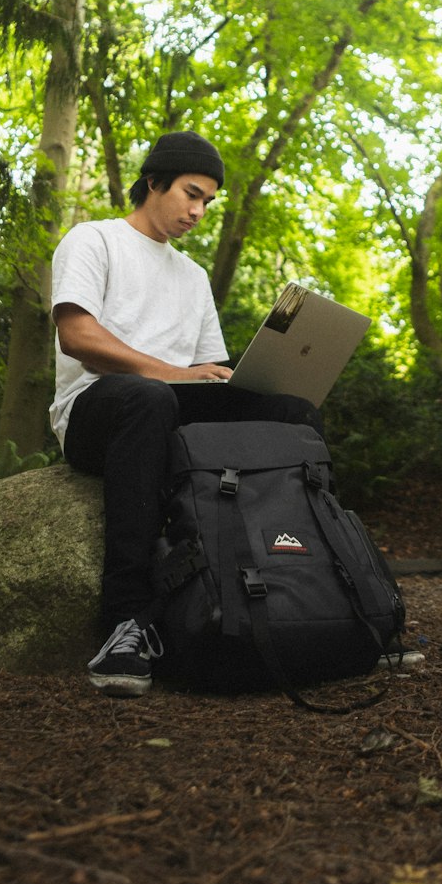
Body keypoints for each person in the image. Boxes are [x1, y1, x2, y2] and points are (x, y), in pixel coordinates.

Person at [50, 130, 323, 697]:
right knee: (151, 397)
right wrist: (170, 372)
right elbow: (77, 336)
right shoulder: (93, 241)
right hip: (98, 411)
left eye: (208, 203)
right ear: (154, 182)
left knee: (292, 410)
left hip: (175, 412)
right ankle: (125, 623)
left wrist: (233, 380)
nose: (199, 211)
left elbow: (208, 369)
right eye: (191, 194)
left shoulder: (193, 277)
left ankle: (322, 593)